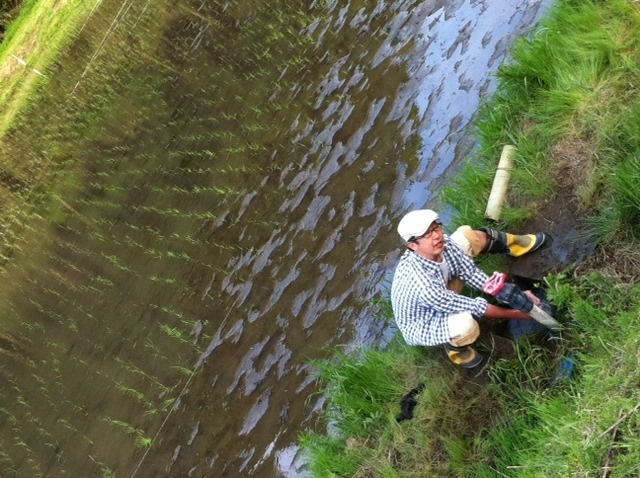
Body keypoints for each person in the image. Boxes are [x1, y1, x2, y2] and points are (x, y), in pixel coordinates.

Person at [390, 209, 547, 369]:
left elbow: (469, 272)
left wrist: (507, 293)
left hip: (441, 288)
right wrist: (518, 314)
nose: (436, 236)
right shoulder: (422, 285)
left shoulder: (442, 244)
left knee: (467, 236)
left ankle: (516, 244)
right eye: (426, 234)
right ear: (412, 245)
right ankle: (455, 347)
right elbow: (476, 307)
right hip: (426, 321)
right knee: (466, 325)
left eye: (436, 228)